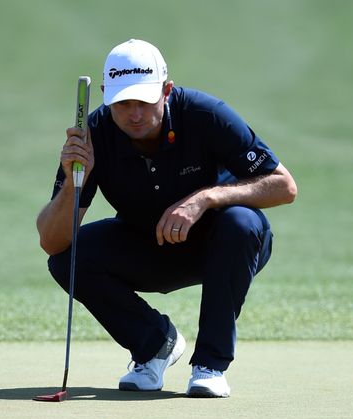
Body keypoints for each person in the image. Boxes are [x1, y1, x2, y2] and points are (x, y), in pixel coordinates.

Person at [36, 39, 297, 398]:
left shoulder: (206, 115)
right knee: (68, 259)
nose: (134, 113)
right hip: (147, 245)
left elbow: (284, 186)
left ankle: (210, 364)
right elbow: (53, 242)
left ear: (167, 90)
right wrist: (73, 181)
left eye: (144, 100)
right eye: (122, 102)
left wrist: (206, 198)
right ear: (104, 94)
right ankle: (155, 345)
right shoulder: (93, 135)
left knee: (242, 222)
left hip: (220, 245)